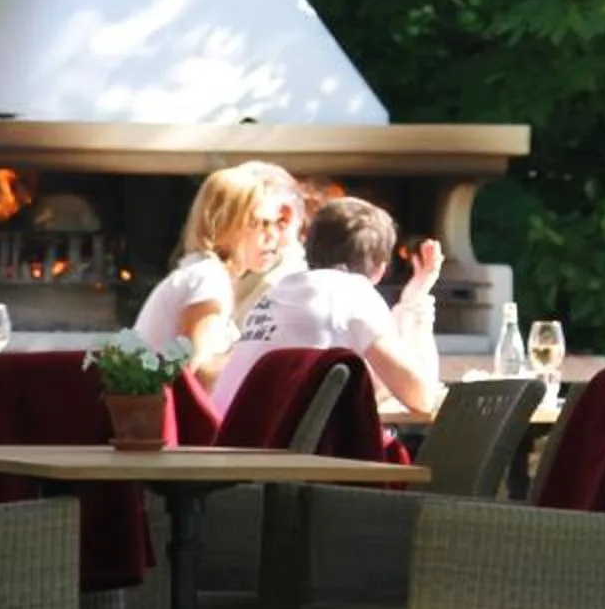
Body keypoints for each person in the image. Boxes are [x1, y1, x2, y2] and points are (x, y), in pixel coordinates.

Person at [211, 195, 446, 419]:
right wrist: (416, 298)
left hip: (228, 437)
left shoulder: (277, 292)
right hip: (279, 445)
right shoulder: (353, 292)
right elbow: (422, 398)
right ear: (380, 270)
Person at [133, 162, 297, 370]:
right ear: (225, 224)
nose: (272, 235)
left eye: (276, 224)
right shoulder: (209, 280)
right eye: (261, 223)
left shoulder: (205, 274)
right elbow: (191, 372)